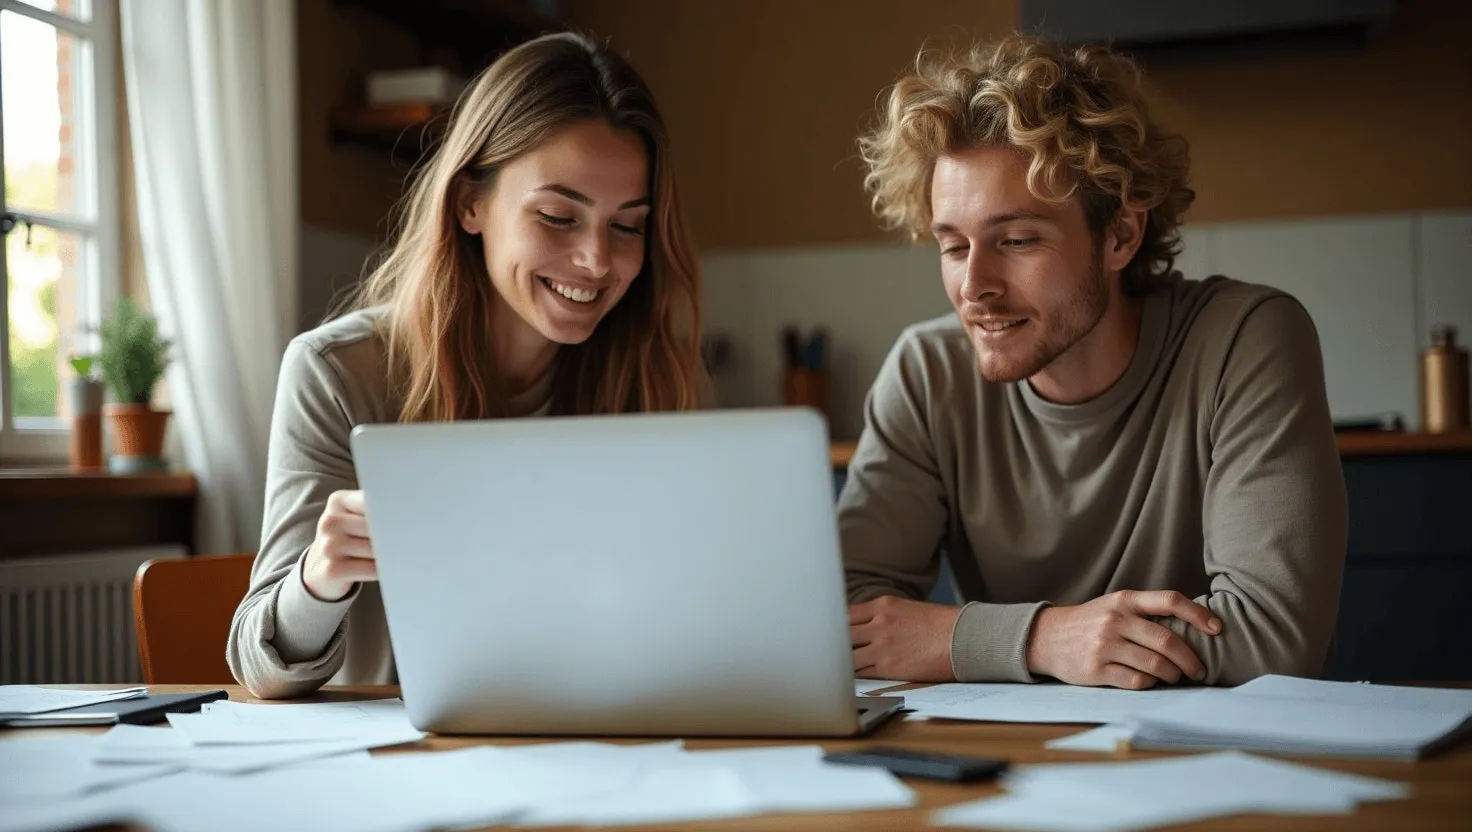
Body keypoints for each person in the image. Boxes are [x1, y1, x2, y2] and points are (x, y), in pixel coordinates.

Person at [843, 34, 1346, 689]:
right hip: (1006, 763)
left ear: (1121, 235)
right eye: (954, 246)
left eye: (1017, 240)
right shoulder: (926, 374)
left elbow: (1277, 641)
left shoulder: (1243, 340)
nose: (975, 286)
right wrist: (1045, 640)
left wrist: (961, 640)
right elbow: (844, 625)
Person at [228, 32, 706, 699]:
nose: (598, 260)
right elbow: (260, 666)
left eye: (627, 226)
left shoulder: (643, 374)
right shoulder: (337, 373)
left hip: (590, 742)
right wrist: (318, 577)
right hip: (395, 763)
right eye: (559, 216)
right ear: (470, 204)